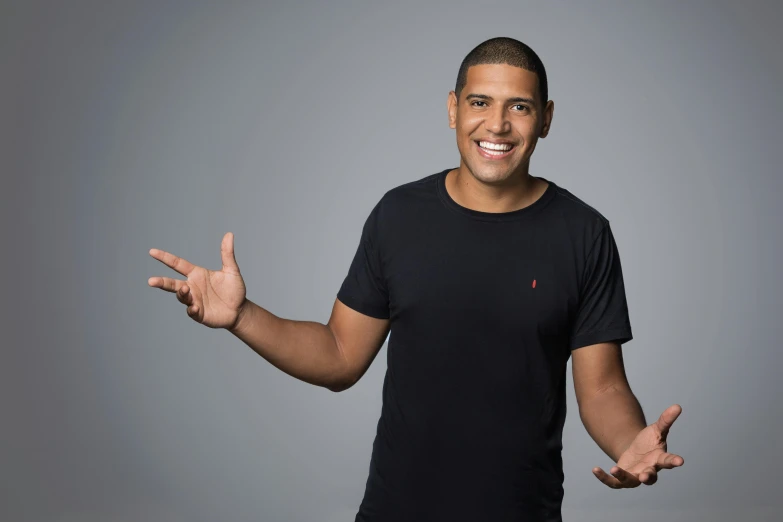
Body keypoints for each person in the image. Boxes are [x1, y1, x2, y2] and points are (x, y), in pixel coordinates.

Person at [148, 36, 684, 522]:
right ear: (453, 110)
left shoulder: (584, 233)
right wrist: (242, 316)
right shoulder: (398, 216)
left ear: (544, 119)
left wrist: (627, 442)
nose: (496, 125)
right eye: (479, 103)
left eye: (518, 107)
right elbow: (339, 356)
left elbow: (603, 386)